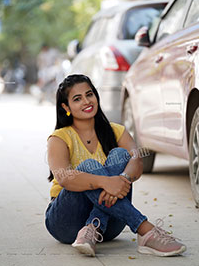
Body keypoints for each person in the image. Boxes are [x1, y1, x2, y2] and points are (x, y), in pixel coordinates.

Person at [45, 74, 186, 257]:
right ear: (66, 107)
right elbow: (64, 178)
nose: (86, 101)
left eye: (90, 94)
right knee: (88, 165)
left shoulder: (117, 131)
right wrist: (104, 182)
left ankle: (92, 227)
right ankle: (145, 229)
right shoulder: (59, 138)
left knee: (121, 155)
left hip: (110, 227)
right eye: (77, 99)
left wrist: (123, 178)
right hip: (66, 221)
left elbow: (136, 160)